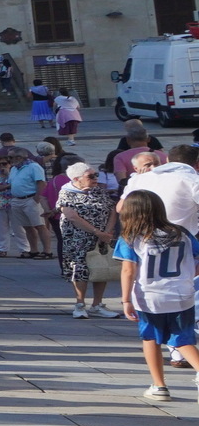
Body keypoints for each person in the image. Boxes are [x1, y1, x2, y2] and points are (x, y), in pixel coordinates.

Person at [115, 190, 199, 404]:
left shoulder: (131, 237)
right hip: (182, 293)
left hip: (150, 296)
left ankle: (159, 385)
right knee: (182, 338)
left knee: (151, 338)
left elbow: (128, 271)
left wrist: (126, 300)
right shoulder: (182, 233)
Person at [57, 160, 120, 317]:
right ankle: (80, 304)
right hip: (78, 239)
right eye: (90, 176)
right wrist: (97, 232)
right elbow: (72, 216)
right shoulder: (66, 192)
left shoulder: (98, 191)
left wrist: (107, 231)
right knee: (80, 270)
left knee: (101, 268)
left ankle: (97, 304)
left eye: (96, 175)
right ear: (76, 179)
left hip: (102, 238)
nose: (95, 178)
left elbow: (112, 210)